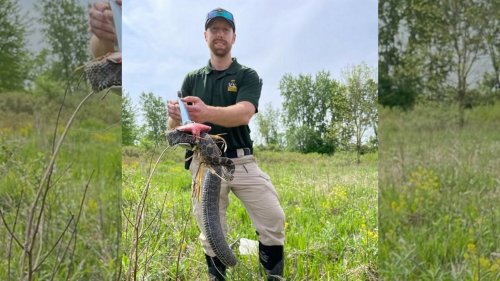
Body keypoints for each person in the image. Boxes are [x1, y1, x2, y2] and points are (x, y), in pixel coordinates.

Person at [167, 8, 285, 281]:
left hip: (241, 161)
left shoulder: (247, 75)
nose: (220, 34)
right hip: (204, 165)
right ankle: (216, 277)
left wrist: (205, 112)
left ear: (233, 37)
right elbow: (177, 131)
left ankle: (274, 276)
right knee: (211, 229)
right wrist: (173, 118)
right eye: (214, 29)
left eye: (225, 30)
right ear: (205, 35)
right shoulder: (192, 79)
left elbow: (244, 112)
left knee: (273, 217)